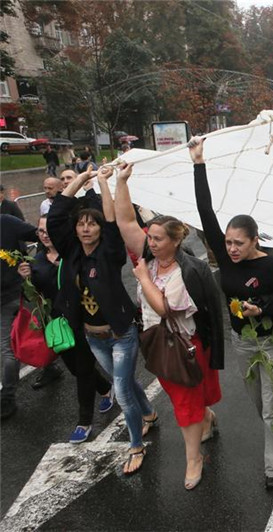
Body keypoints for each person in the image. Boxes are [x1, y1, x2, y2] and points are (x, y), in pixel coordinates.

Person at [189, 137, 273, 490]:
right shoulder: (223, 254)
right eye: (229, 243)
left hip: (272, 342)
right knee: (261, 403)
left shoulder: (272, 267)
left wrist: (260, 307)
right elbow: (205, 210)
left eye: (239, 243)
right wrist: (198, 163)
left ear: (254, 241)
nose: (232, 249)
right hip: (243, 343)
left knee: (269, 408)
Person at [108, 161, 224, 490]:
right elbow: (125, 220)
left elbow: (163, 308)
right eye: (151, 238)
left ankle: (194, 459)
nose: (152, 243)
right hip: (158, 343)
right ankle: (206, 418)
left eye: (159, 239)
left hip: (184, 346)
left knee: (185, 407)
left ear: (175, 241)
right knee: (184, 400)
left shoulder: (183, 272)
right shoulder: (152, 256)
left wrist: (143, 278)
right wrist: (122, 181)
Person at [47, 167, 156, 475]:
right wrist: (80, 181)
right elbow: (55, 217)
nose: (86, 229)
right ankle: (149, 413)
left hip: (121, 335)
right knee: (127, 383)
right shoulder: (72, 253)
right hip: (94, 339)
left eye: (91, 225)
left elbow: (111, 222)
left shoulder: (109, 252)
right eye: (81, 224)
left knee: (121, 391)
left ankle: (136, 446)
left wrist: (104, 183)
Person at [17, 215, 114, 442]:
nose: (45, 234)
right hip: (57, 326)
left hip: (83, 322)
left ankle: (84, 421)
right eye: (40, 231)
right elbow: (33, 297)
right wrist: (25, 281)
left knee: (83, 370)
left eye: (49, 229)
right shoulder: (35, 262)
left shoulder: (75, 255)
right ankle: (106, 388)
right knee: (74, 369)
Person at [0, 214, 38, 420]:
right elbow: (41, 234)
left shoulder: (6, 221)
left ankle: (7, 398)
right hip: (12, 293)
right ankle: (50, 365)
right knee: (25, 334)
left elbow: (40, 234)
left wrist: (35, 263)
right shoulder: (5, 221)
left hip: (11, 296)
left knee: (10, 349)